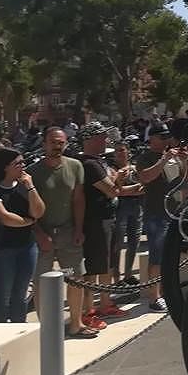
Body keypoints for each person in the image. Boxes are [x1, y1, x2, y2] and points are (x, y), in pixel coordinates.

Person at [29, 128, 96, 338]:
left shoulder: (75, 166)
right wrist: (39, 234)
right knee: (42, 282)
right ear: (44, 143)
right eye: (53, 142)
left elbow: (78, 200)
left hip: (68, 233)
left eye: (61, 142)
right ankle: (46, 330)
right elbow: (26, 208)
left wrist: (78, 228)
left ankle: (76, 324)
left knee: (75, 277)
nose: (57, 146)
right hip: (43, 236)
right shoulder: (33, 171)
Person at [0, 148, 45, 322]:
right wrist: (28, 221)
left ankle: (19, 327)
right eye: (17, 163)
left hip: (26, 247)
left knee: (21, 294)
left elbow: (39, 211)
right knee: (3, 295)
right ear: (5, 167)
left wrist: (31, 187)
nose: (22, 166)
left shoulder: (24, 186)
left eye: (23, 162)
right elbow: (4, 217)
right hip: (2, 249)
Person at [78, 122, 125, 327]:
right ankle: (88, 311)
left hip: (107, 218)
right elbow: (111, 190)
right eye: (101, 137)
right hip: (95, 221)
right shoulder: (89, 164)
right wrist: (121, 178)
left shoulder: (97, 162)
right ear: (91, 139)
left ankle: (105, 304)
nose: (105, 141)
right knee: (93, 267)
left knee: (106, 264)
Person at [136, 124, 182, 311]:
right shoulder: (145, 157)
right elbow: (145, 177)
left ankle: (167, 291)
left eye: (166, 137)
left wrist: (184, 161)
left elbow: (184, 178)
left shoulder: (172, 156)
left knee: (171, 255)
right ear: (152, 139)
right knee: (157, 256)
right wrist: (164, 160)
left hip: (173, 211)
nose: (165, 141)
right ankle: (154, 297)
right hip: (156, 213)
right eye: (161, 137)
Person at [110, 141, 143, 286]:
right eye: (116, 150)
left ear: (128, 152)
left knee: (134, 242)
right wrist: (132, 188)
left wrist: (126, 190)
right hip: (120, 208)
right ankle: (116, 278)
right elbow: (118, 191)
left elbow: (145, 187)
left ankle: (128, 274)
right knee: (117, 244)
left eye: (122, 150)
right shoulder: (112, 170)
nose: (119, 153)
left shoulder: (135, 169)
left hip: (137, 207)